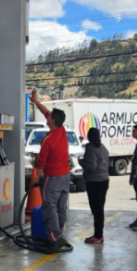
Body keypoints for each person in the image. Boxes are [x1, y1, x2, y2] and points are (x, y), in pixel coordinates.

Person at [30, 89, 71, 251]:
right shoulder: (62, 130)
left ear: (53, 120)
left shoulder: (47, 141)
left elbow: (41, 163)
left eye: (50, 115)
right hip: (65, 177)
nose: (48, 116)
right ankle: (59, 235)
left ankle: (54, 238)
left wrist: (36, 179)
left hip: (52, 178)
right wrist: (35, 101)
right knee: (61, 206)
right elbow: (45, 111)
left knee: (49, 206)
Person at [79, 127, 109, 244]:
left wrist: (81, 161)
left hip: (94, 182)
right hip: (104, 180)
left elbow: (91, 166)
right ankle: (99, 234)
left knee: (97, 210)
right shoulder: (103, 148)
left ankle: (98, 235)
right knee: (99, 209)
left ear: (88, 136)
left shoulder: (91, 148)